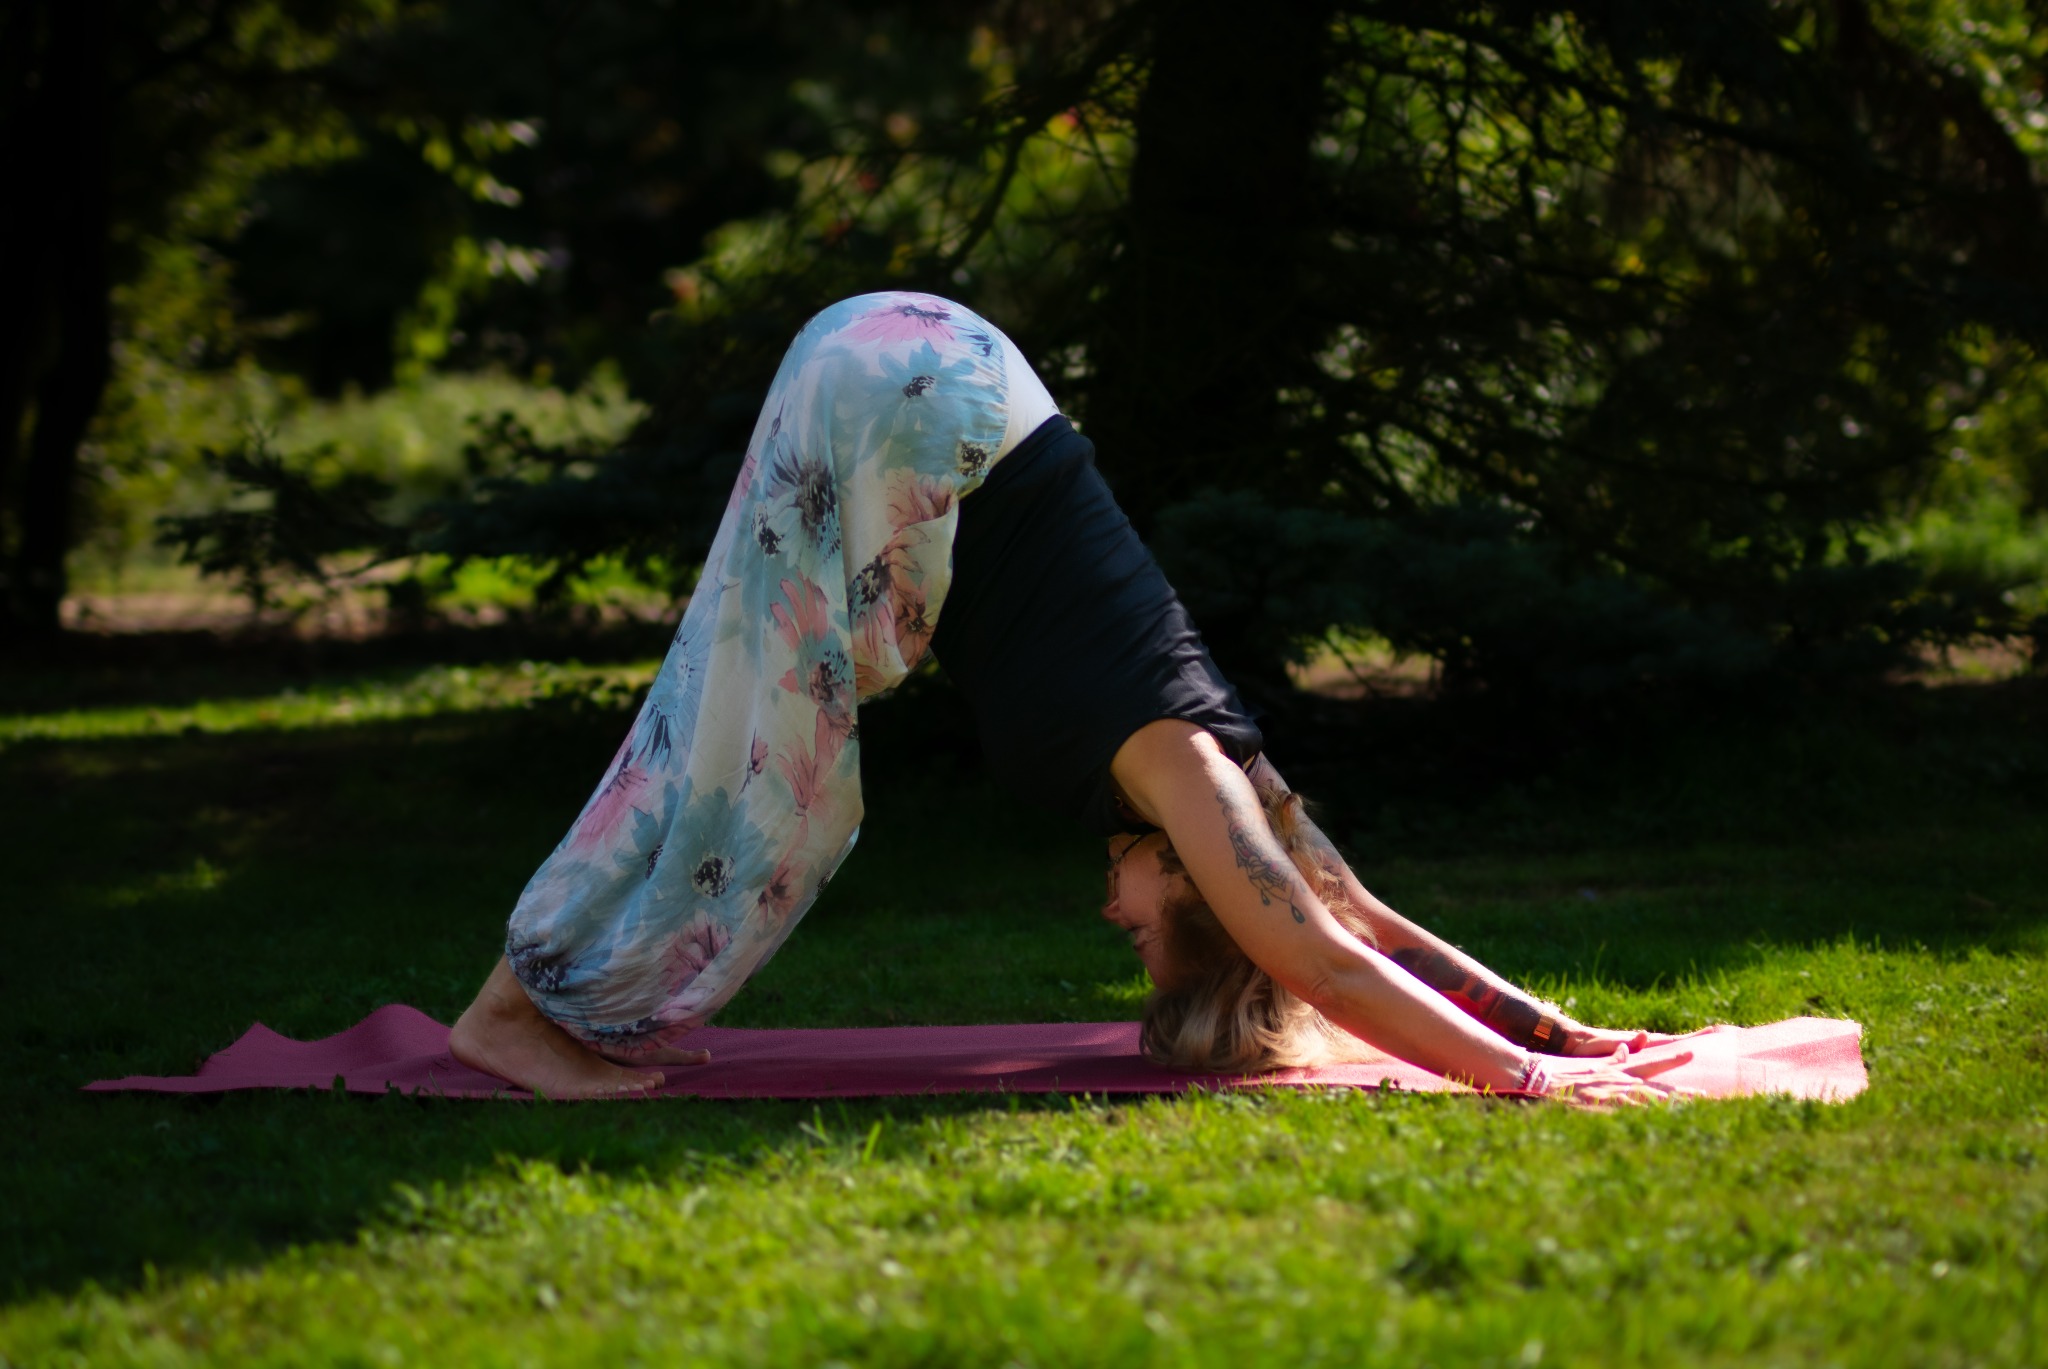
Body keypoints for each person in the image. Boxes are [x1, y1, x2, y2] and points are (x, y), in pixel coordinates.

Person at [449, 292, 1691, 1103]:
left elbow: (1362, 919)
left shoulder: (1233, 770)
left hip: (940, 373)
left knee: (740, 721)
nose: (1111, 914)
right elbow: (1323, 960)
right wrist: (1526, 1082)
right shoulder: (1191, 780)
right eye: (1145, 934)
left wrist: (1560, 1032)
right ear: (1200, 895)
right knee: (751, 759)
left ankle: (560, 1004)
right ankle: (509, 1014)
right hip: (920, 405)